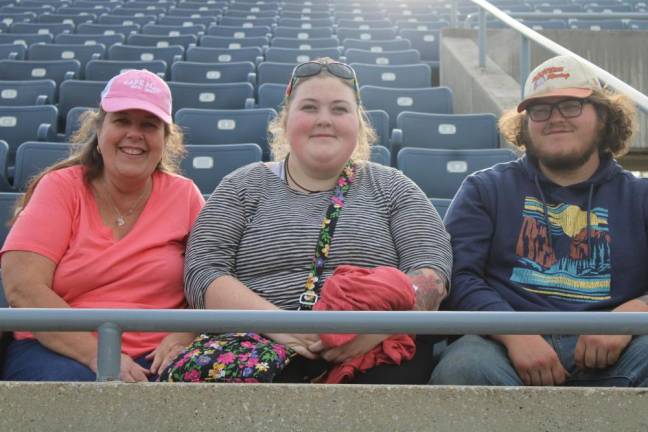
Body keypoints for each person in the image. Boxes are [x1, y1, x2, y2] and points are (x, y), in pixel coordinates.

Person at [179, 58, 452, 384]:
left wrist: (376, 328)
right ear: (285, 120)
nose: (324, 120)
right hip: (257, 352)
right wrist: (283, 326)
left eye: (339, 109)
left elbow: (432, 268)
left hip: (375, 354)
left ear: (358, 123)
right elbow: (204, 271)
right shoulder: (241, 186)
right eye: (309, 107)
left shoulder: (393, 187)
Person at [430, 54, 648, 387]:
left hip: (620, 349)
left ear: (603, 116)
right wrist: (514, 333)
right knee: (464, 367)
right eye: (540, 110)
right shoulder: (485, 189)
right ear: (526, 123)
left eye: (571, 105)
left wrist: (631, 316)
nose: (555, 119)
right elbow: (458, 277)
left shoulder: (640, 196)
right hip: (503, 349)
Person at [1, 69, 205, 382]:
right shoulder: (60, 188)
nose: (134, 133)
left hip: (159, 354)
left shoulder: (186, 195)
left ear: (165, 140)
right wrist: (99, 355)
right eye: (122, 120)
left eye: (148, 125)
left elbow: (211, 281)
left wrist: (183, 333)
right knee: (77, 395)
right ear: (100, 129)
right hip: (62, 350)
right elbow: (22, 287)